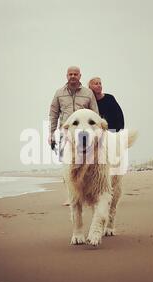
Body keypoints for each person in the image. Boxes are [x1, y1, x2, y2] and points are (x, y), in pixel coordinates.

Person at [48, 66, 99, 205]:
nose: (73, 76)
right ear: (66, 76)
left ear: (80, 76)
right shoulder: (59, 93)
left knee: (87, 164)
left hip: (85, 135)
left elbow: (95, 114)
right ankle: (71, 195)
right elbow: (53, 115)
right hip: (66, 134)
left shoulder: (88, 93)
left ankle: (86, 192)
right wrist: (51, 134)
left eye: (75, 74)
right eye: (70, 74)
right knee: (68, 165)